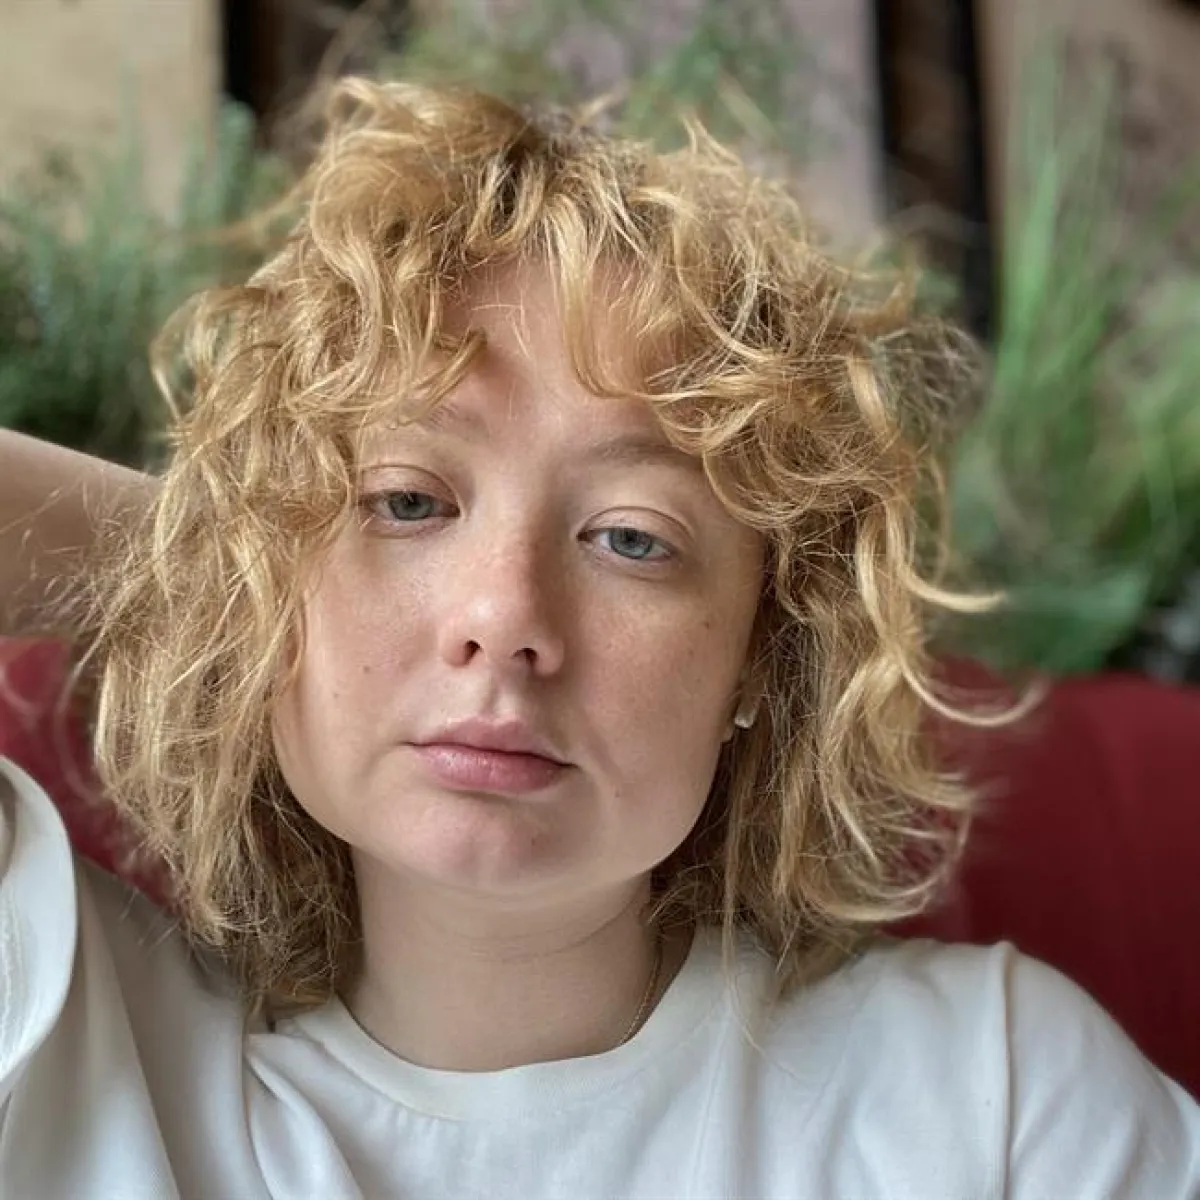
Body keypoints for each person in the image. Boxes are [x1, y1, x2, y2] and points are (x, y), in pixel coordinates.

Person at [0, 77, 1196, 1199]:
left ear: (760, 656)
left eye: (631, 537)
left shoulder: (994, 1095)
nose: (505, 619)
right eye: (406, 501)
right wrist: (231, 569)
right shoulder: (62, 1034)